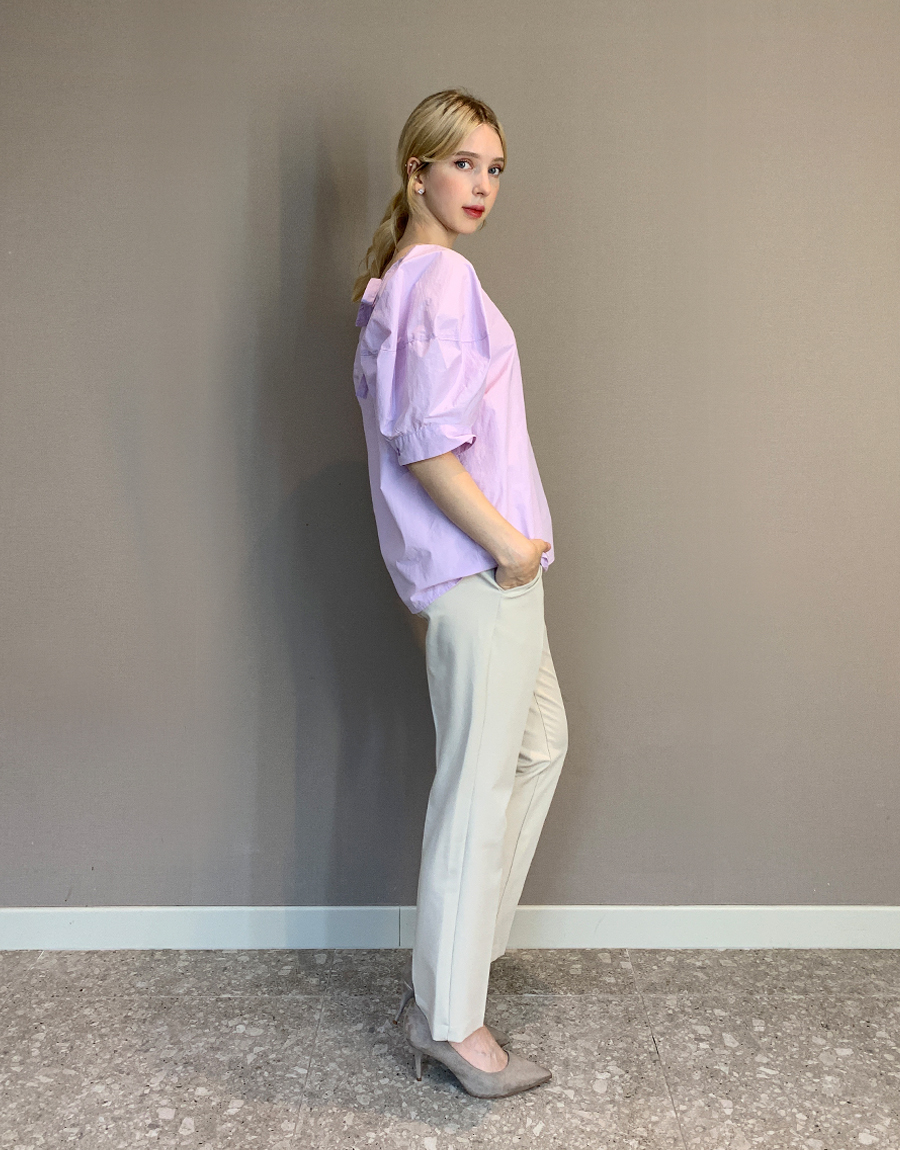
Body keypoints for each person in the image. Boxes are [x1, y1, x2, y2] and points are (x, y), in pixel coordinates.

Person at [350, 88, 568, 1099]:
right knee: (475, 794)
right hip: (483, 574)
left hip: (471, 577)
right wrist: (511, 548)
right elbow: (427, 446)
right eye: (463, 164)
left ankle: (450, 973)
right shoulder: (440, 278)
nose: (481, 185)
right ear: (418, 172)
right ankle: (450, 1022)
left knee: (536, 747)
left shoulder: (394, 282)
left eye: (495, 169)